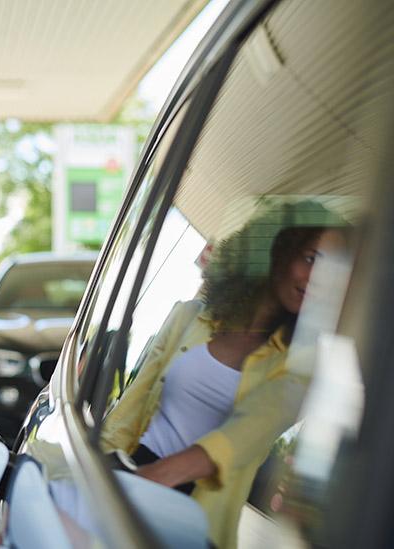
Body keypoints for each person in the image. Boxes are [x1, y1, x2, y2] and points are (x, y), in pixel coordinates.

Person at [100, 202, 346, 548]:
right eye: (311, 258)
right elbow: (128, 413)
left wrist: (155, 478)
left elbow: (248, 431)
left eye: (335, 270)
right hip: (129, 470)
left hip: (193, 516)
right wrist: (88, 477)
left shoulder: (304, 364)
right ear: (276, 250)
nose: (320, 280)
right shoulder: (188, 317)